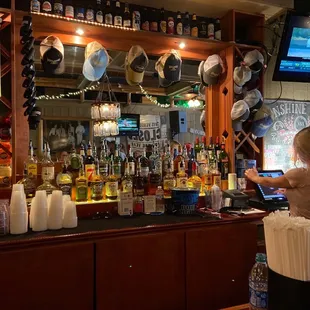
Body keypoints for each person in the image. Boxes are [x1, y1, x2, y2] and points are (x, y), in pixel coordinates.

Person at [245, 127, 310, 219]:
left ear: (300, 152)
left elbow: (270, 182)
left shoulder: (299, 174)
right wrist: (289, 193)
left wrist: (254, 177)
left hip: (302, 229)